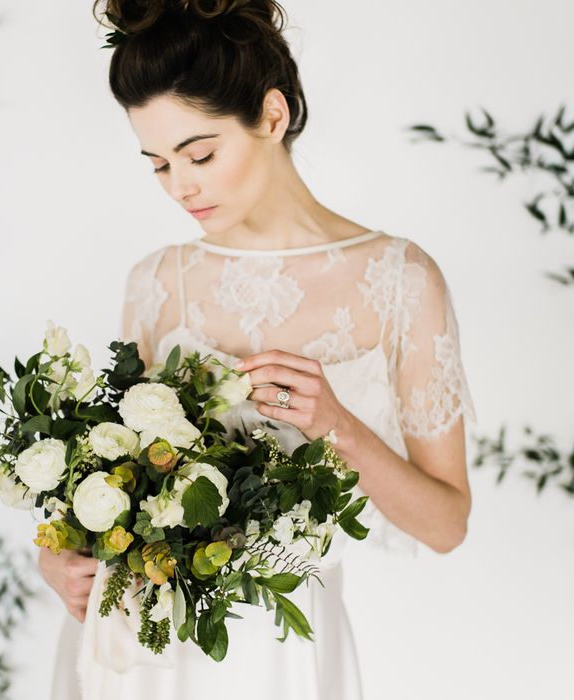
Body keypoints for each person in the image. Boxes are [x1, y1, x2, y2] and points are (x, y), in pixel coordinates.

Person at [38, 1, 477, 698]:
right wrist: (56, 559)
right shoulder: (158, 282)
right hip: (135, 645)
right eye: (157, 164)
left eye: (200, 154)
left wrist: (337, 427)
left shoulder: (399, 279)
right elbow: (104, 477)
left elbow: (448, 524)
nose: (181, 186)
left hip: (283, 653)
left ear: (272, 116)